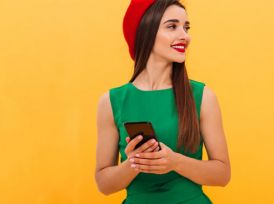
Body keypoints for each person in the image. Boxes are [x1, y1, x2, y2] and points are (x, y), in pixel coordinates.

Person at [95, 0, 231, 203]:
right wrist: (135, 162)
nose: (185, 36)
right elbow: (104, 184)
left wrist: (175, 162)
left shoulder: (202, 96)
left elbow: (222, 174)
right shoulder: (111, 102)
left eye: (186, 28)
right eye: (172, 26)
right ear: (145, 32)